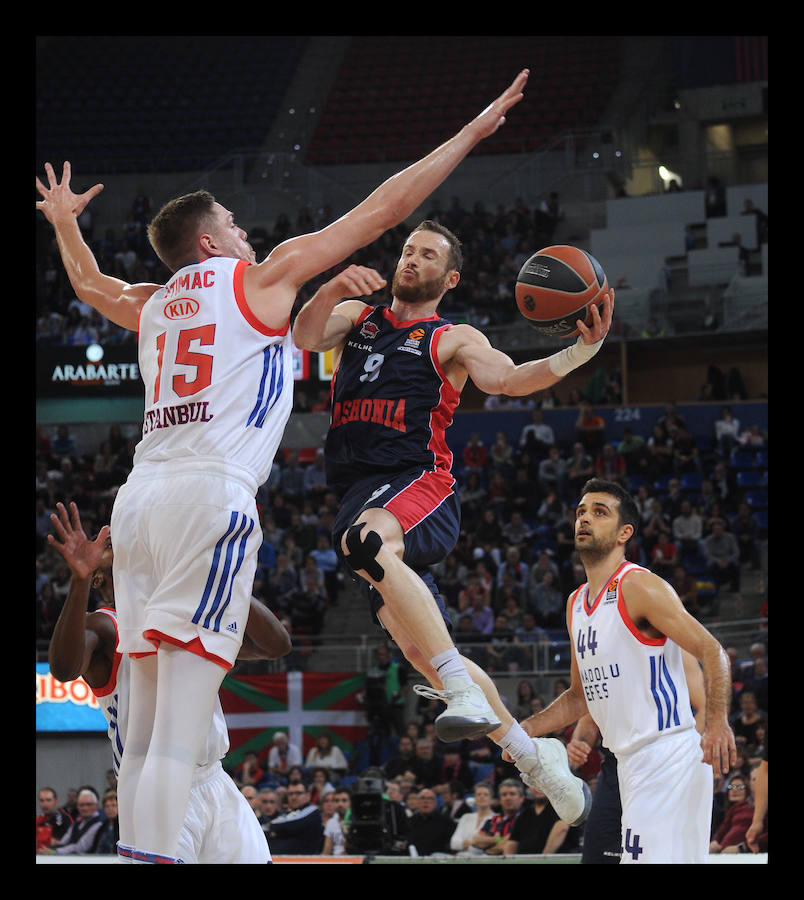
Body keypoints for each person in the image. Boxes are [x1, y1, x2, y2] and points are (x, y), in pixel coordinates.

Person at [35, 69, 531, 864]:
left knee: (152, 720)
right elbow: (386, 210)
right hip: (208, 495)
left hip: (138, 503)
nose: (244, 232)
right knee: (175, 734)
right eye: (232, 223)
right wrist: (472, 133)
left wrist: (64, 223)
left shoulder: (154, 301)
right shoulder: (257, 281)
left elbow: (87, 279)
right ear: (210, 242)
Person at [293, 211, 613, 828]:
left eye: (427, 255)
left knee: (364, 544)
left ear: (451, 277)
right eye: (407, 251)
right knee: (421, 649)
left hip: (419, 481)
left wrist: (583, 350)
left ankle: (461, 692)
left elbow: (512, 381)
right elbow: (306, 337)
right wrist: (331, 287)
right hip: (360, 489)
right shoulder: (359, 320)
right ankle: (535, 757)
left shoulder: (452, 338)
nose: (411, 260)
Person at [45, 500, 290, 863]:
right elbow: (64, 669)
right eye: (115, 545)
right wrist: (79, 581)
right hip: (152, 785)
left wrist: (216, 574)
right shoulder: (105, 624)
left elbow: (276, 646)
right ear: (99, 575)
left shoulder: (186, 614)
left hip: (214, 780)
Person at [513, 478, 736, 863]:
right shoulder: (575, 603)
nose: (585, 519)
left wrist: (716, 721)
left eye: (600, 512)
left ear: (624, 533)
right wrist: (521, 731)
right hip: (626, 762)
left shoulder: (640, 586)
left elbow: (713, 652)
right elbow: (579, 696)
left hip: (668, 756)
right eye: (581, 511)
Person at [567, 647, 707, 864]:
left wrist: (680, 755)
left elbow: (705, 708)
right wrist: (579, 743)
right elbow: (588, 720)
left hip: (664, 765)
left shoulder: (669, 645)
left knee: (655, 853)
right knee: (597, 851)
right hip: (617, 764)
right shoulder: (597, 652)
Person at [502, 785, 579, 856]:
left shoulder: (562, 808)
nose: (538, 787)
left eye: (542, 783)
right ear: (529, 788)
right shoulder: (524, 815)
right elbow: (512, 842)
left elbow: (562, 828)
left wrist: (542, 860)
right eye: (533, 784)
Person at [37, 788, 104, 856]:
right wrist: (49, 850)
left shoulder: (99, 824)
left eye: (88, 804)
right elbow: (63, 842)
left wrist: (54, 852)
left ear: (96, 806)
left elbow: (79, 848)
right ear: (77, 806)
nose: (84, 808)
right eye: (81, 805)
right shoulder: (78, 822)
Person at [470, 779, 527, 856]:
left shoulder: (527, 818)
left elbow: (509, 845)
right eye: (504, 795)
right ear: (500, 800)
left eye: (512, 794)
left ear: (521, 798)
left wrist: (488, 848)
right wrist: (499, 839)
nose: (508, 798)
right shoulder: (493, 820)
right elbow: (475, 841)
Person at [266, 781, 324, 855]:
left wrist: (275, 832)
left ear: (308, 796)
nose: (293, 797)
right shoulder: (288, 814)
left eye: (298, 793)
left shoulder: (312, 810)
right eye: (290, 794)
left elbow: (291, 825)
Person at [402, 787, 456, 856]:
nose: (426, 801)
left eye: (430, 798)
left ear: (435, 803)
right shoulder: (409, 821)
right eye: (422, 798)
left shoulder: (446, 822)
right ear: (417, 802)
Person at [450, 782, 495, 856]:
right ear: (475, 798)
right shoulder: (466, 817)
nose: (482, 797)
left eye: (485, 794)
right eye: (479, 794)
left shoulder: (497, 818)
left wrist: (466, 844)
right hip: (462, 857)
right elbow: (453, 843)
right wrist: (475, 842)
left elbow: (498, 840)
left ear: (491, 798)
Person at [36, 787, 74, 851]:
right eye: (42, 800)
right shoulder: (40, 819)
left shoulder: (62, 819)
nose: (44, 804)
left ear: (56, 801)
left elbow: (54, 846)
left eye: (48, 800)